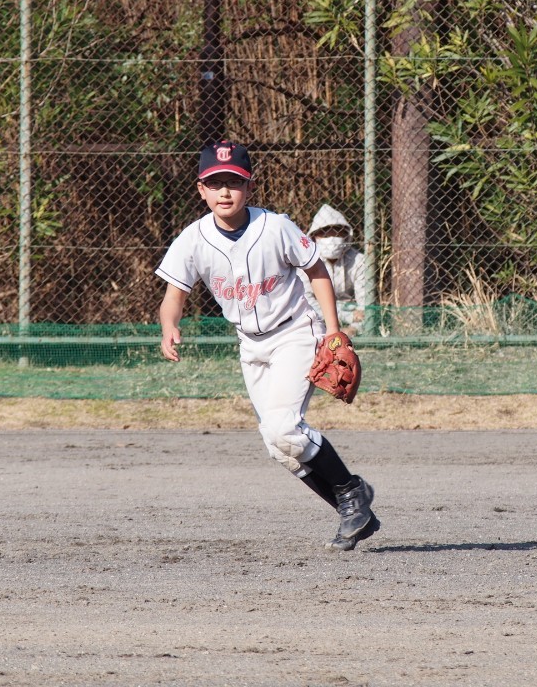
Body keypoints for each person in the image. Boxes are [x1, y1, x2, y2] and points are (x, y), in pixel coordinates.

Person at [155, 140, 380, 552]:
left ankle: (351, 491)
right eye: (215, 182)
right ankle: (353, 510)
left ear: (249, 187)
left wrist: (333, 329)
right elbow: (174, 295)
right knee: (279, 448)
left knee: (284, 429)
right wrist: (170, 325)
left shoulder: (274, 226)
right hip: (250, 346)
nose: (225, 191)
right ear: (200, 189)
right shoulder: (193, 239)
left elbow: (315, 269)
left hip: (295, 333)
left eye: (234, 182)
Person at [299, 204, 368, 332]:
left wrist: (353, 328)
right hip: (320, 315)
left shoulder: (359, 261)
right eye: (324, 234)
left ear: (346, 235)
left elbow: (364, 306)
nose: (331, 238)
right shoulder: (307, 261)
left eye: (336, 233)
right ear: (314, 237)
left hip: (352, 314)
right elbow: (306, 300)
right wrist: (346, 316)